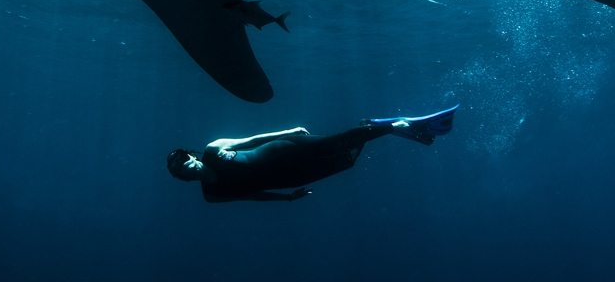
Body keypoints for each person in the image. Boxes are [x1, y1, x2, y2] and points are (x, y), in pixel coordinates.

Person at [166, 105, 458, 202]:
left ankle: (395, 125)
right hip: (290, 178)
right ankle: (372, 127)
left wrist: (288, 131)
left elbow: (253, 139)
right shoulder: (212, 195)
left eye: (183, 160)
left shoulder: (213, 149)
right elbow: (252, 196)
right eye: (179, 169)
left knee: (336, 144)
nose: (185, 166)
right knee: (346, 162)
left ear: (191, 156)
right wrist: (286, 199)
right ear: (181, 177)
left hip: (285, 151)